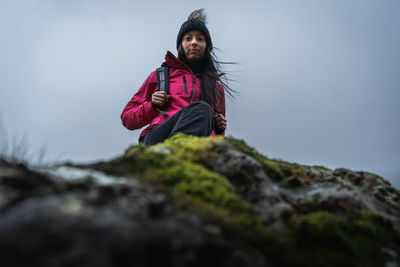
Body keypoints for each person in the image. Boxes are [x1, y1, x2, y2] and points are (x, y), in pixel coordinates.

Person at [121, 9, 232, 145]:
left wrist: (219, 127)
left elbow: (215, 133)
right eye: (188, 38)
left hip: (198, 145)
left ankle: (179, 152)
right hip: (159, 137)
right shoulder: (161, 75)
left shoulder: (216, 88)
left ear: (207, 47)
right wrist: (152, 105)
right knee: (202, 109)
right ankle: (176, 149)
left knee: (202, 110)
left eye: (200, 39)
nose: (194, 42)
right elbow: (127, 119)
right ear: (180, 45)